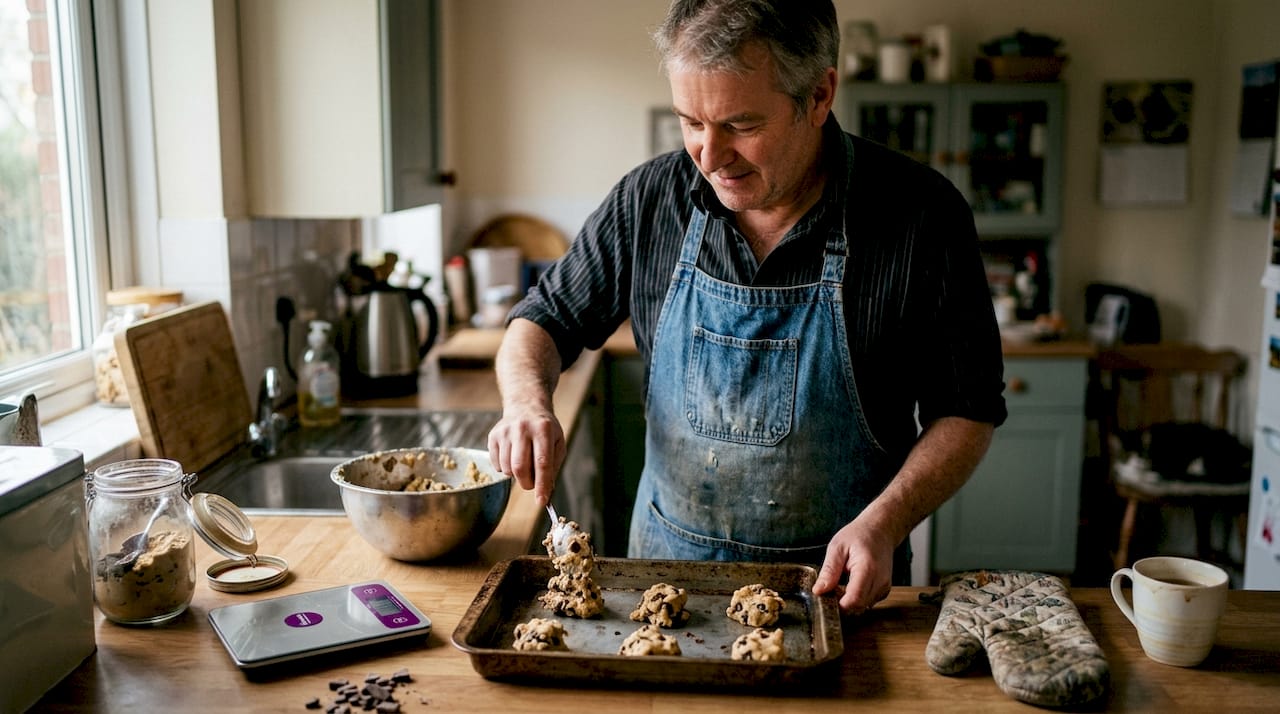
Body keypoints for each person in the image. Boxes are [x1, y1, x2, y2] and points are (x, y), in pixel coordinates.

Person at [487, 0, 1006, 615]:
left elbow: (967, 409)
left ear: (818, 96)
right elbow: (542, 320)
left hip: (833, 596)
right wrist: (525, 404)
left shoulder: (923, 216)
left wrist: (887, 524)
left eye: (740, 125)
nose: (709, 155)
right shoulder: (650, 199)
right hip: (661, 592)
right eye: (690, 122)